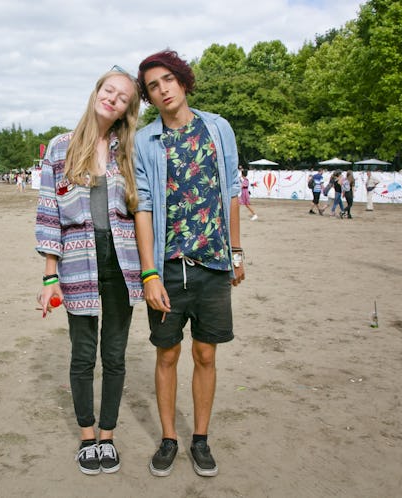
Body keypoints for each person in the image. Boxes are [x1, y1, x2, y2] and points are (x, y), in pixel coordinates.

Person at [134, 50, 245, 478]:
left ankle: (200, 438)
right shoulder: (146, 140)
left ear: (182, 80)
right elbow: (143, 206)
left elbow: (232, 189)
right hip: (167, 267)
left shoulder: (217, 128)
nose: (162, 90)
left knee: (205, 354)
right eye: (152, 87)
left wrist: (236, 252)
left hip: (213, 265)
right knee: (167, 355)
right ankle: (168, 438)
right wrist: (149, 273)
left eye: (167, 80)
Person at [35, 67, 142, 475]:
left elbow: (141, 214)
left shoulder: (127, 150)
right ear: (97, 91)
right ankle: (86, 436)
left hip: (122, 262)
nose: (112, 98)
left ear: (126, 110)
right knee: (83, 356)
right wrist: (49, 276)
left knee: (114, 356)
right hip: (78, 263)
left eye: (122, 97)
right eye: (108, 90)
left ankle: (108, 435)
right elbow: (48, 214)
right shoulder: (61, 148)